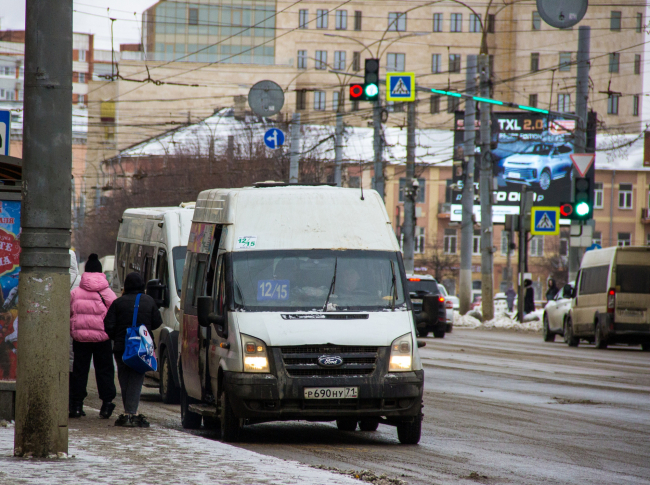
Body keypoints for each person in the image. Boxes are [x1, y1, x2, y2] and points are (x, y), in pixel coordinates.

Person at [104, 272, 162, 428]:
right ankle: (132, 413)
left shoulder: (118, 303)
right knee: (136, 378)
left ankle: (128, 412)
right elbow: (157, 322)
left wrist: (117, 337)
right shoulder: (149, 301)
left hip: (121, 347)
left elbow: (108, 325)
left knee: (124, 379)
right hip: (142, 347)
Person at [69, 253, 117, 419]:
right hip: (102, 339)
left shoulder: (75, 293)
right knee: (104, 370)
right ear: (101, 272)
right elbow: (114, 315)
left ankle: (76, 405)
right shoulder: (109, 294)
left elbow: (68, 313)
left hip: (80, 339)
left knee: (79, 371)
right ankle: (106, 404)